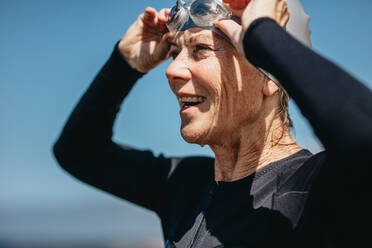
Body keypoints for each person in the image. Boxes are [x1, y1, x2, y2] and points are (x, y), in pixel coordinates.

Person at [53, 0, 372, 247]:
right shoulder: (186, 187)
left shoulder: (319, 189)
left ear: (270, 78)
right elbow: (78, 152)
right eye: (175, 51)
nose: (171, 70)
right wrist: (124, 64)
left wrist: (262, 32)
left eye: (201, 49)